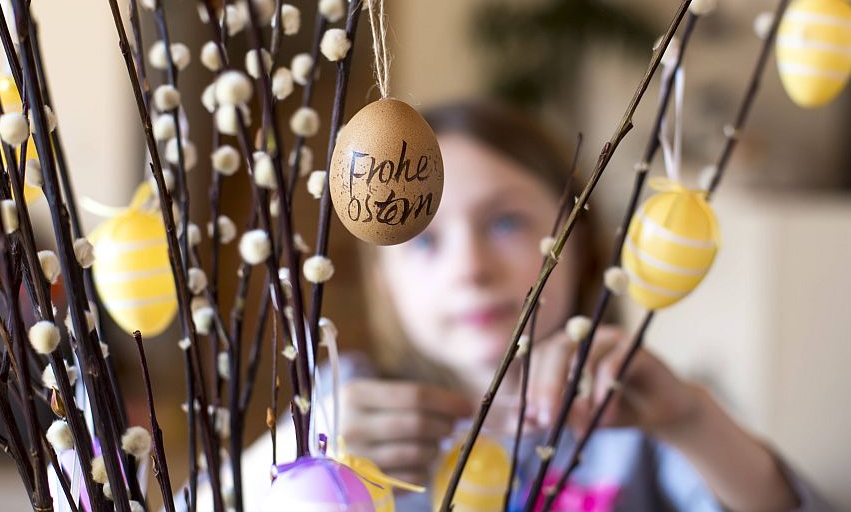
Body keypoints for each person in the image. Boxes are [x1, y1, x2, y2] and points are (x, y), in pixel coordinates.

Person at [233, 101, 828, 511]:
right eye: (426, 241)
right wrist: (303, 464)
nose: (469, 268)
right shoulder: (349, 415)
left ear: (577, 243)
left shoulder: (635, 420)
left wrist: (692, 421)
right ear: (384, 281)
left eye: (507, 222)